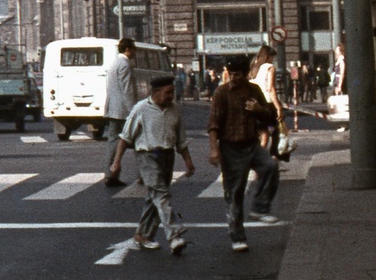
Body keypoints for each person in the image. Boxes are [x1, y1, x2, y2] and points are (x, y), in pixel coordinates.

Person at [109, 74, 194, 255]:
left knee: (155, 197)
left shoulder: (175, 110)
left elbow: (181, 139)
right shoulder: (141, 109)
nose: (171, 96)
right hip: (147, 156)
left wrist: (188, 161)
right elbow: (125, 138)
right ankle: (174, 235)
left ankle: (143, 235)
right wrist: (116, 163)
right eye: (168, 92)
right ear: (156, 92)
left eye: (172, 92)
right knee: (161, 195)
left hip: (167, 156)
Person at [208, 54, 280, 252]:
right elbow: (213, 125)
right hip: (230, 148)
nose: (234, 78)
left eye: (238, 74)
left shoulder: (254, 90)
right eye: (231, 74)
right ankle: (237, 236)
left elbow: (270, 116)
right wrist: (214, 149)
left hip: (251, 144)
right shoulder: (222, 93)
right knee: (234, 193)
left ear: (246, 74)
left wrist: (258, 109)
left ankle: (260, 207)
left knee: (271, 166)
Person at [103, 38, 139, 186]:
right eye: (134, 49)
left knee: (113, 142)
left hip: (113, 109)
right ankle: (145, 174)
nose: (135, 52)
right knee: (139, 140)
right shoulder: (124, 64)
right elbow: (127, 90)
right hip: (123, 111)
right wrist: (134, 110)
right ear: (128, 49)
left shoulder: (113, 63)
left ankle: (110, 174)